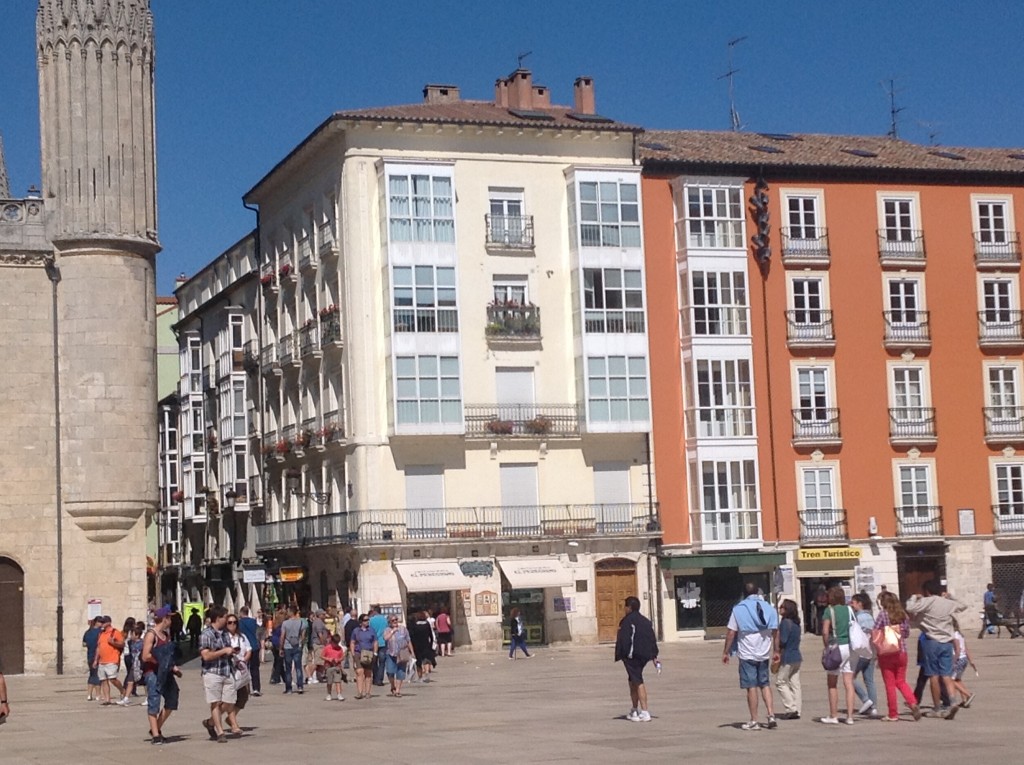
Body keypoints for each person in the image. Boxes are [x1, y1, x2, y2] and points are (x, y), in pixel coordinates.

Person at [906, 579, 967, 718]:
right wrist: (950, 596)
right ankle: (952, 702)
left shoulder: (928, 601)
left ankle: (937, 708)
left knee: (933, 675)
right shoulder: (947, 603)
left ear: (927, 591)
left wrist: (914, 597)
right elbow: (963, 606)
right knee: (946, 675)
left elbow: (910, 608)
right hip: (947, 642)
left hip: (931, 641)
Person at [722, 583, 779, 730]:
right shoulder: (769, 608)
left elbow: (731, 632)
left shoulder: (739, 609)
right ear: (758, 592)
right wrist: (776, 651)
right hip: (764, 652)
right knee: (765, 684)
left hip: (747, 653)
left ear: (744, 594)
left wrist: (726, 652)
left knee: (751, 686)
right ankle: (771, 714)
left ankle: (754, 720)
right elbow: (775, 632)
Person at [873, 590, 921, 722]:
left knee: (890, 684)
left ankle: (893, 713)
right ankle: (912, 703)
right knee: (901, 681)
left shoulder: (883, 615)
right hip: (901, 651)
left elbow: (875, 631)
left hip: (887, 653)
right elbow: (906, 634)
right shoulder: (903, 615)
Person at [141, 606, 182, 745]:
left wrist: (173, 667)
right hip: (153, 673)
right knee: (154, 701)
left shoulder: (166, 635)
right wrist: (159, 662)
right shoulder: (151, 635)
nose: (171, 620)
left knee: (172, 698)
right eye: (170, 617)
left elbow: (168, 656)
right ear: (165, 619)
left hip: (166, 672)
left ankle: (156, 728)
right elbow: (145, 655)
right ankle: (156, 735)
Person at [615, 595, 658, 723]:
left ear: (629, 608)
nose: (624, 609)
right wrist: (654, 655)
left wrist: (621, 655)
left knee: (638, 681)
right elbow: (652, 638)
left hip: (632, 656)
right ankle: (634, 710)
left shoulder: (627, 621)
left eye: (625, 607)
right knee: (632, 681)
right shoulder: (645, 621)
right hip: (644, 655)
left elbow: (624, 640)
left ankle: (645, 712)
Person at [199, 605, 236, 743]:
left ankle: (210, 722)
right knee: (214, 702)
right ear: (218, 618)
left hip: (227, 670)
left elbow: (226, 650)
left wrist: (231, 652)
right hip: (212, 672)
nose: (227, 620)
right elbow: (206, 656)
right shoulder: (206, 634)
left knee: (229, 702)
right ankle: (220, 732)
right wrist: (223, 651)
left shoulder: (225, 633)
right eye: (225, 617)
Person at [820, 587, 857, 724]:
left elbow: (825, 631)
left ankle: (834, 715)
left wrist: (826, 647)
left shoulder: (829, 611)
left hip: (836, 647)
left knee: (832, 682)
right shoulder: (849, 609)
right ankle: (850, 717)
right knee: (848, 682)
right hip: (849, 647)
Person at [850, 593, 879, 717]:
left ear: (859, 604)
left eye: (853, 602)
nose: (852, 605)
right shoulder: (870, 617)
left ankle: (865, 699)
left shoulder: (857, 617)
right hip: (871, 651)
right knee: (869, 680)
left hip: (861, 651)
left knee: (850, 678)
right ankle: (873, 708)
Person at [224, 614, 251, 737]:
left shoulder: (242, 637)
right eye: (229, 622)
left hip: (242, 669)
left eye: (234, 622)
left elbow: (249, 650)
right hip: (229, 670)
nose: (232, 625)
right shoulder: (224, 637)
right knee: (229, 699)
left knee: (243, 696)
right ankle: (234, 725)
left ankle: (213, 720)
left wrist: (244, 660)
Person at [775, 598, 802, 720]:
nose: (780, 609)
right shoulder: (796, 623)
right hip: (797, 655)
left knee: (780, 681)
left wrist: (776, 639)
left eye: (782, 607)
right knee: (794, 683)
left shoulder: (785, 622)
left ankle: (791, 708)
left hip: (788, 656)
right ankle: (797, 708)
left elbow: (783, 640)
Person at [94, 615, 126, 705]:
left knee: (112, 679)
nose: (101, 624)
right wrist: (96, 659)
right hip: (102, 661)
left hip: (112, 659)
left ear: (108, 623)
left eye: (103, 622)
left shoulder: (115, 632)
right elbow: (98, 647)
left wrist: (113, 642)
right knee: (103, 680)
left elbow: (122, 644)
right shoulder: (101, 634)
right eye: (101, 622)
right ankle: (107, 699)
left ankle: (122, 690)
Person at [279, 605, 306, 695]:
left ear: (291, 612)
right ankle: (300, 687)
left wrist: (280, 648)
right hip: (297, 646)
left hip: (287, 646)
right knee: (298, 667)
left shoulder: (285, 623)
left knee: (288, 668)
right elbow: (303, 635)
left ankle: (289, 688)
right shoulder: (301, 622)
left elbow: (282, 636)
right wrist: (300, 644)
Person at [383, 614, 413, 697]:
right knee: (390, 672)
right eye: (393, 620)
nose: (395, 621)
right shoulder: (387, 630)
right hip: (391, 653)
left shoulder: (403, 629)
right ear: (389, 622)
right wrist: (393, 631)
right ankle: (393, 685)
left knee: (401, 672)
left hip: (402, 653)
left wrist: (412, 652)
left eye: (396, 619)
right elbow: (385, 638)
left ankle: (398, 691)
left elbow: (408, 641)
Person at [349, 614, 377, 700]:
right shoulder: (356, 631)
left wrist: (375, 653)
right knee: (359, 671)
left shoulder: (371, 630)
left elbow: (375, 642)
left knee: (368, 673)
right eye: (365, 620)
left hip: (368, 653)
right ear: (361, 622)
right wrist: (353, 653)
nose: (367, 621)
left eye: (368, 620)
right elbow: (352, 642)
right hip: (358, 652)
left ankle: (368, 692)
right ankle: (359, 692)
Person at [950, 618, 977, 708]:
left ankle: (968, 694)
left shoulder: (954, 636)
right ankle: (964, 699)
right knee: (957, 680)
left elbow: (958, 650)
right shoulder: (960, 635)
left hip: (958, 659)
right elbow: (966, 649)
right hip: (964, 659)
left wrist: (953, 661)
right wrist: (971, 661)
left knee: (950, 680)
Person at [117, 621, 145, 705]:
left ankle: (148, 698)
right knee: (130, 681)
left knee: (145, 683)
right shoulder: (130, 643)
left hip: (141, 665)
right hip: (134, 665)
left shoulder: (143, 643)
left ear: (136, 635)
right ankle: (126, 698)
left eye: (132, 634)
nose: (130, 636)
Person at [237, 606, 261, 697]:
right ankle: (256, 688)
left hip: (244, 647)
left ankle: (245, 688)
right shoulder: (253, 621)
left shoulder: (239, 623)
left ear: (241, 613)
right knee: (255, 668)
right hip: (254, 646)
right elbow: (258, 631)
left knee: (244, 668)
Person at [410, 611, 437, 681]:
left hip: (417, 645)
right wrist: (431, 644)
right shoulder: (427, 624)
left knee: (418, 661)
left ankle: (420, 676)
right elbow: (431, 635)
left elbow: (411, 636)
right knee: (426, 659)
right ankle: (427, 673)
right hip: (426, 644)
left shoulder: (414, 625)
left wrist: (412, 646)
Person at [322, 632, 347, 701]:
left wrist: (339, 659)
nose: (336, 645)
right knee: (329, 682)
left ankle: (339, 694)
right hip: (328, 666)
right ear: (331, 641)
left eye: (337, 643)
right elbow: (321, 656)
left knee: (338, 681)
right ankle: (329, 694)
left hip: (337, 667)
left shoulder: (339, 649)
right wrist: (328, 659)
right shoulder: (327, 648)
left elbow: (342, 657)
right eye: (334, 643)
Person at [368, 606, 388, 686]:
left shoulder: (371, 620)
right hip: (383, 642)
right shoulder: (385, 619)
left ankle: (375, 678)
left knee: (374, 661)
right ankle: (380, 680)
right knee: (382, 662)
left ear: (374, 611)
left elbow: (370, 630)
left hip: (374, 643)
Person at [82, 618, 102, 701]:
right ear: (96, 623)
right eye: (100, 622)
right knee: (97, 675)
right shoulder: (100, 632)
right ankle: (98, 694)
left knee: (92, 674)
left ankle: (89, 695)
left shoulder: (87, 632)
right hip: (97, 656)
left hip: (89, 656)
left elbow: (84, 644)